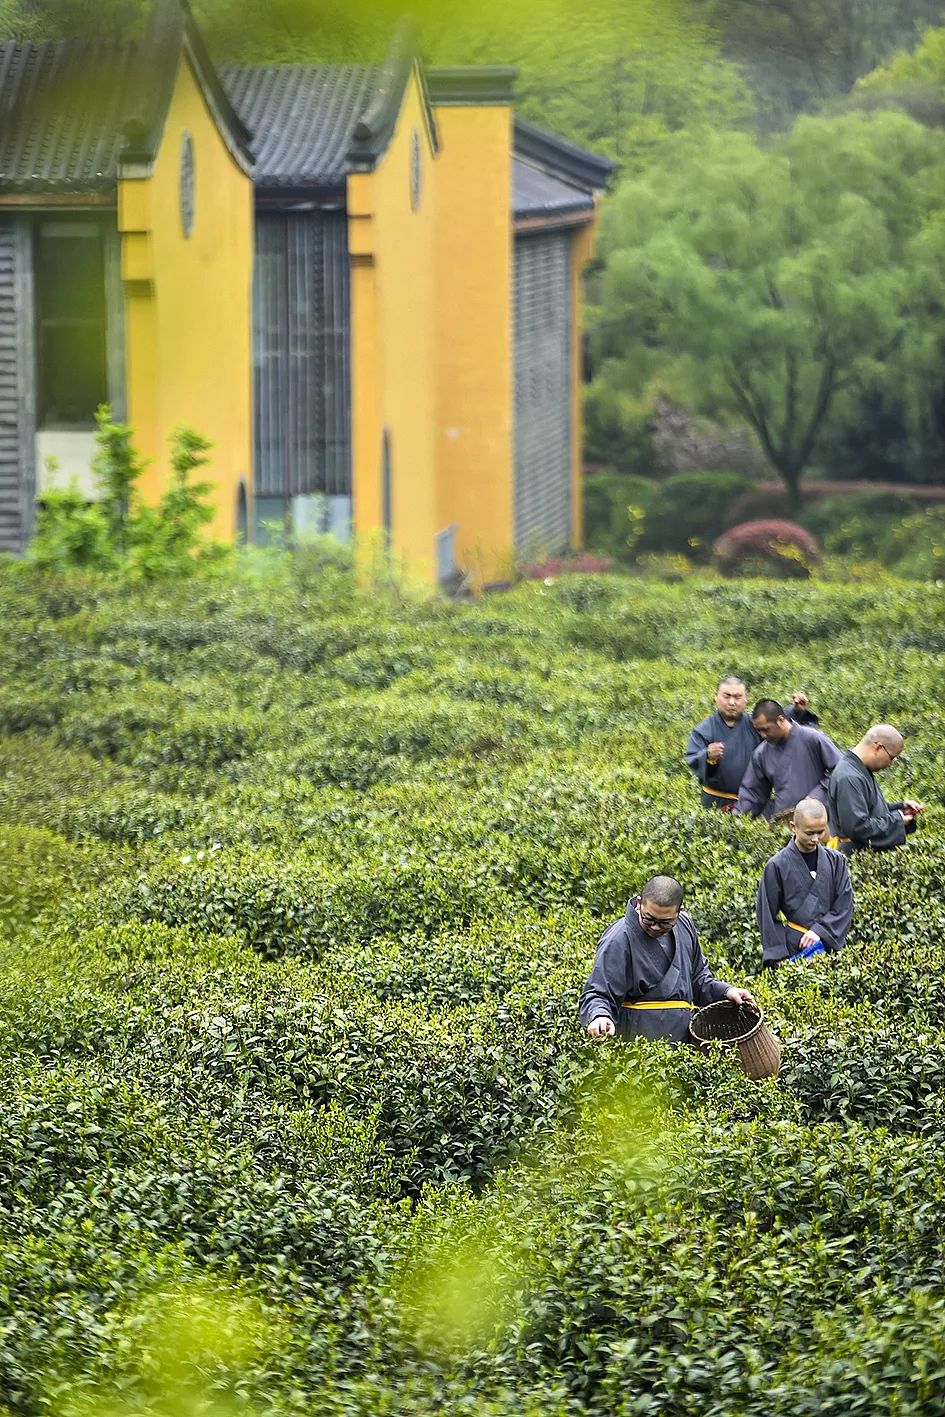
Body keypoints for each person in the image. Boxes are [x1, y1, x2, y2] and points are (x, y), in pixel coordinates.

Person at [579, 875, 756, 1043]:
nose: (655, 927)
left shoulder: (685, 926)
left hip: (683, 1042)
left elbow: (699, 979)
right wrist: (599, 1016)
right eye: (649, 919)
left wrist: (726, 991)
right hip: (636, 1044)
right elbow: (598, 992)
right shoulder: (618, 938)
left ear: (679, 912)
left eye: (665, 922)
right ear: (639, 904)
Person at [686, 679, 822, 810]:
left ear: (746, 698)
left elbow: (779, 722)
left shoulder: (756, 724)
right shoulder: (704, 730)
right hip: (715, 803)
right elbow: (692, 758)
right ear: (715, 697)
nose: (732, 702)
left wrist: (797, 712)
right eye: (726, 696)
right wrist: (707, 755)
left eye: (737, 697)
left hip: (754, 803)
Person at [756, 799, 853, 967]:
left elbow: (844, 904)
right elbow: (767, 914)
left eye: (820, 832)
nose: (815, 839)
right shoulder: (776, 865)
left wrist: (820, 931)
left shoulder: (836, 860)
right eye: (809, 833)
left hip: (829, 947)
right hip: (795, 949)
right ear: (793, 827)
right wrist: (779, 957)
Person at [736, 699, 841, 821]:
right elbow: (752, 794)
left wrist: (818, 795)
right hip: (784, 823)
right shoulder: (761, 754)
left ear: (781, 720)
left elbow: (840, 772)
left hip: (820, 820)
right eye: (759, 731)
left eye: (766, 729)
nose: (763, 735)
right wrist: (737, 818)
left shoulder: (813, 738)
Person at [827, 724, 924, 853]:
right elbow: (857, 827)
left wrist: (900, 808)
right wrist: (898, 820)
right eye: (891, 758)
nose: (890, 764)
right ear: (878, 747)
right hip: (856, 856)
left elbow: (869, 810)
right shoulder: (849, 777)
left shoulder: (859, 769)